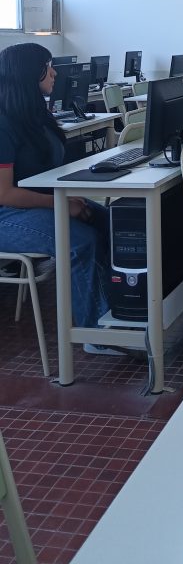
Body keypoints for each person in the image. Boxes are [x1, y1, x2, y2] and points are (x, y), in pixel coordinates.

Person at [0, 43, 118, 354]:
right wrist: (61, 205)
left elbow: (46, 174)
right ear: (29, 73)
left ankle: (121, 312)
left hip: (35, 204)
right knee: (79, 241)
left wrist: (71, 198)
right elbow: (5, 193)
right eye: (47, 67)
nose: (54, 73)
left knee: (111, 223)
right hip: (6, 215)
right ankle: (95, 334)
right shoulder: (3, 122)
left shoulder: (35, 115)